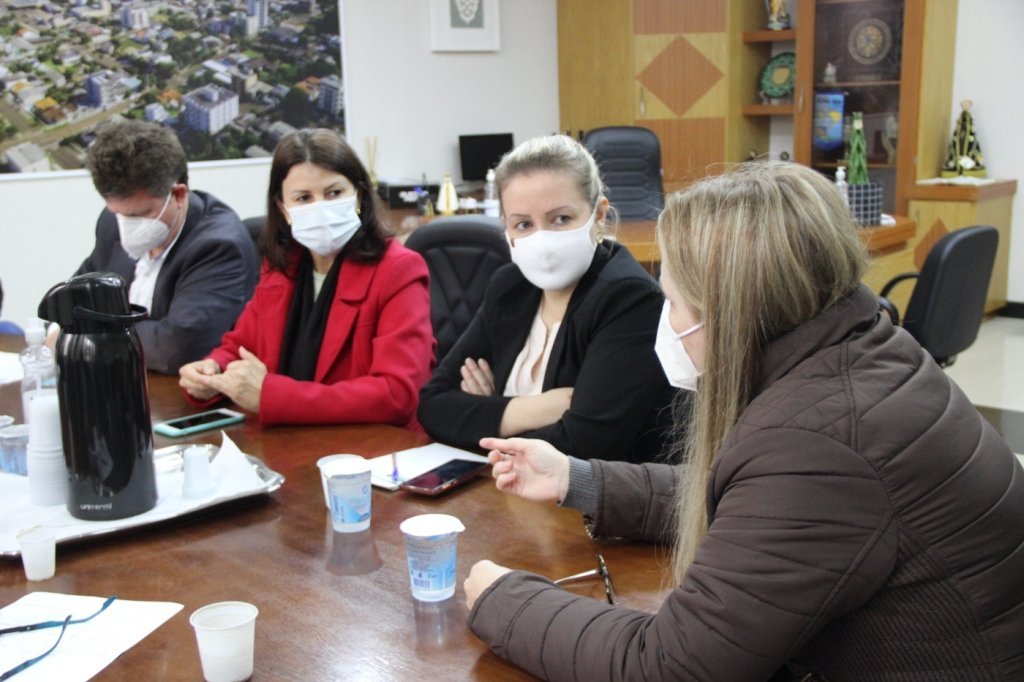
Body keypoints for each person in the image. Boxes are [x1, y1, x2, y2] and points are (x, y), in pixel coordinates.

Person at [463, 162, 1024, 680]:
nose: (667, 321)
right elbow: (757, 505)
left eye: (675, 303)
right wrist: (579, 479)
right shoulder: (865, 350)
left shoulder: (817, 444)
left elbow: (666, 667)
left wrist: (504, 598)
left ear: (732, 312)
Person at [417, 135, 680, 463]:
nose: (541, 239)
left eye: (561, 219)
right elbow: (433, 405)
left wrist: (485, 413)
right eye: (523, 224)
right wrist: (536, 410)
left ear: (598, 215)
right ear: (506, 228)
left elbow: (584, 446)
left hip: (589, 509)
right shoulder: (509, 286)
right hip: (506, 493)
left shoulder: (629, 298)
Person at [179, 128, 434, 427]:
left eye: (334, 193)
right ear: (283, 209)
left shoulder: (398, 269)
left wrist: (271, 396)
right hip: (291, 444)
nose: (320, 207)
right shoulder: (281, 267)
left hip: (370, 450)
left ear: (360, 196)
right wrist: (212, 370)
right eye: (303, 198)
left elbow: (398, 393)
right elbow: (240, 346)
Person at [69, 120, 259, 374]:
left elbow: (178, 347)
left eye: (143, 213)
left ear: (179, 195)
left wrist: (91, 335)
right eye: (119, 213)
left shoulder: (219, 245)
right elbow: (74, 298)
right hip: (124, 382)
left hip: (192, 398)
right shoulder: (111, 223)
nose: (128, 226)